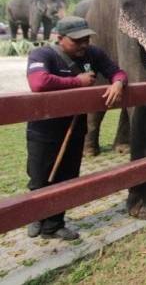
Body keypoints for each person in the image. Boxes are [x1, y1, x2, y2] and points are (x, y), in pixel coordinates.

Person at [25, 16, 127, 240]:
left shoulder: (93, 54)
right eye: (77, 40)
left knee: (66, 177)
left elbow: (117, 71)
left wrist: (118, 82)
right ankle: (36, 217)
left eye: (86, 39)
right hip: (44, 130)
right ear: (60, 38)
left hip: (75, 128)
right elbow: (38, 83)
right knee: (40, 177)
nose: (83, 45)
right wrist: (77, 82)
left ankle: (54, 224)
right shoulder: (43, 55)